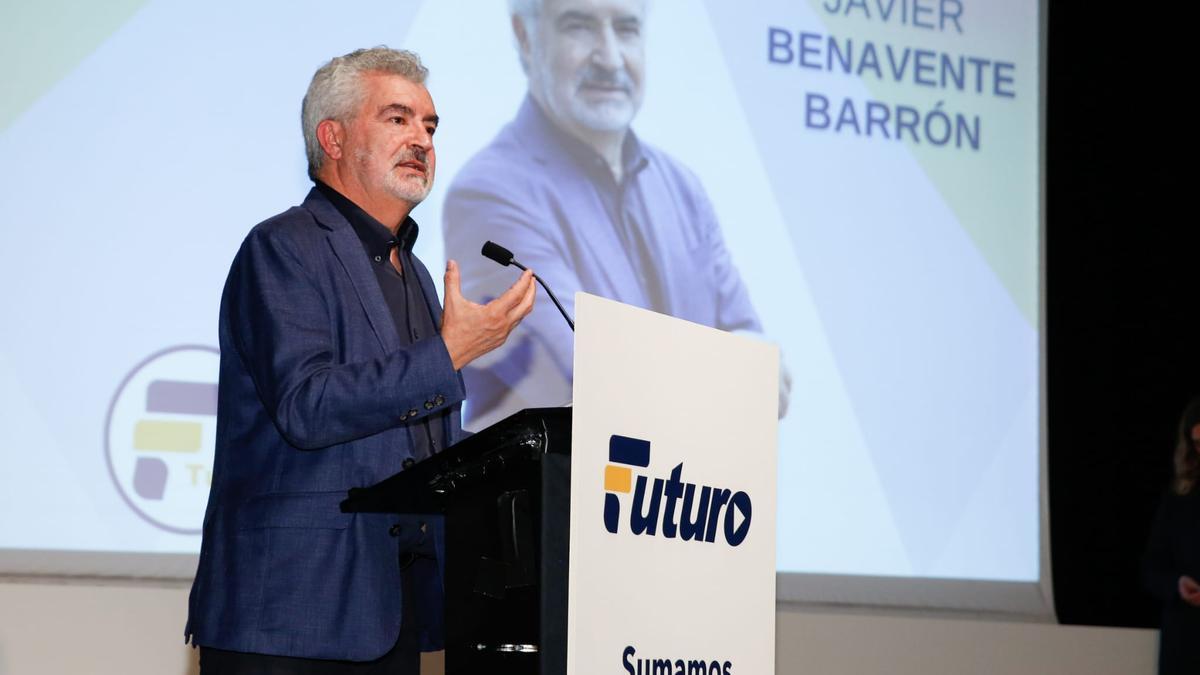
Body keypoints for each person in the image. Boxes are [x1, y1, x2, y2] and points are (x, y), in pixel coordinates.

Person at [185, 47, 536, 672]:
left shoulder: (420, 276)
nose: (422, 140)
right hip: (290, 614)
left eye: (429, 126)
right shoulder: (283, 248)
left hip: (392, 610)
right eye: (398, 119)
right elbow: (307, 405)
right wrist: (450, 352)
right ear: (333, 138)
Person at [442, 0, 790, 430]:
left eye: (626, 29)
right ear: (526, 38)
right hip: (562, 488)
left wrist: (751, 369)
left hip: (686, 486)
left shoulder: (682, 188)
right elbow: (595, 363)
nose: (609, 58)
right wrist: (741, 374)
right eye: (579, 27)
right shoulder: (488, 192)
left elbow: (765, 363)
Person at [1144, 397, 1200, 674]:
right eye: (1198, 444)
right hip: (1186, 640)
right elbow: (1152, 569)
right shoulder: (1180, 497)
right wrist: (1177, 584)